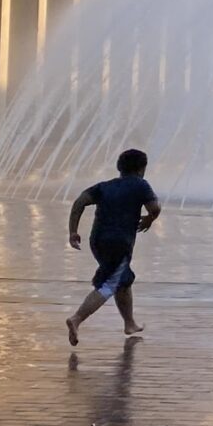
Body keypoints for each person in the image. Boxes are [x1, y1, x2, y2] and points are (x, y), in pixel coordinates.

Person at [65, 148, 160, 346]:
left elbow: (80, 202)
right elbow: (155, 207)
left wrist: (73, 232)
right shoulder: (140, 185)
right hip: (119, 242)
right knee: (109, 284)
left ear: (120, 167)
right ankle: (76, 319)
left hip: (97, 241)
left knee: (123, 279)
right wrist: (150, 218)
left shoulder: (105, 186)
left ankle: (129, 323)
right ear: (142, 169)